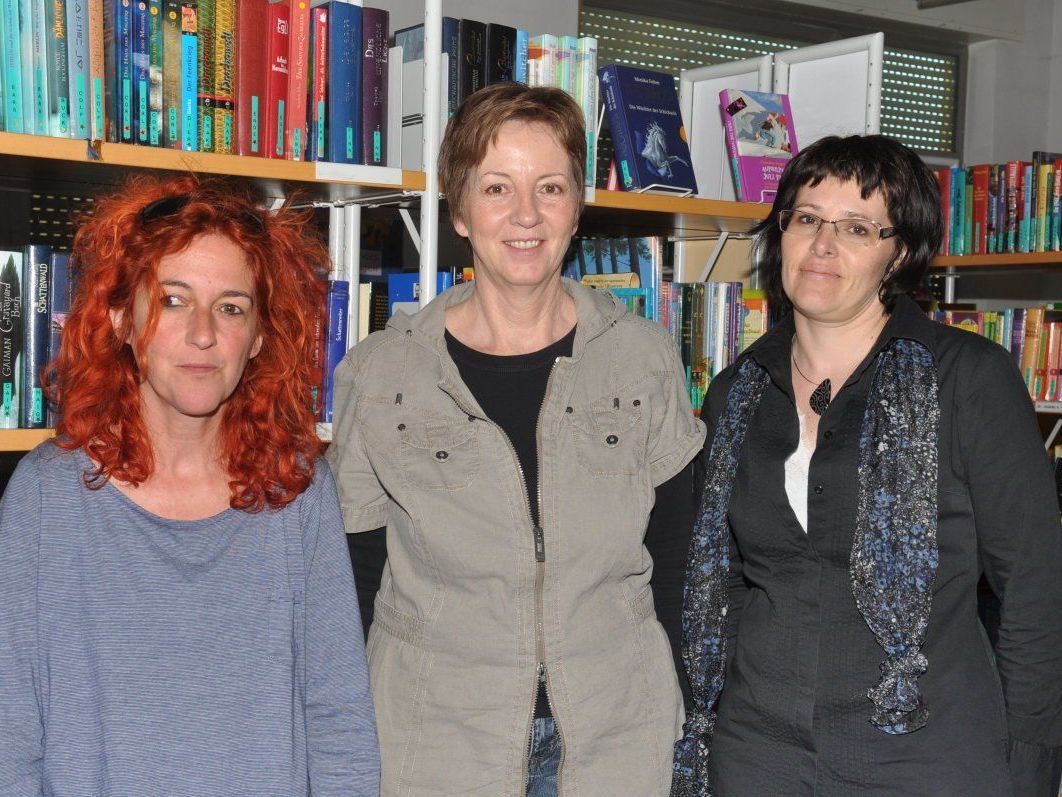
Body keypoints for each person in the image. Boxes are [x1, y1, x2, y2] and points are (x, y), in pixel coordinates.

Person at [327, 82, 706, 796]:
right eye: (497, 187)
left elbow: (679, 562)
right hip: (436, 744)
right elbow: (356, 582)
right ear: (460, 210)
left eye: (550, 187)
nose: (525, 214)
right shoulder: (383, 375)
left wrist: (677, 701)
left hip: (615, 740)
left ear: (577, 207)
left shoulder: (643, 358)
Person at [672, 134, 1062, 797]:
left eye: (856, 227)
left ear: (899, 251)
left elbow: (1035, 589)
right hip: (757, 754)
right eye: (806, 218)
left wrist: (1030, 764)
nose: (824, 244)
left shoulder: (967, 378)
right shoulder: (737, 391)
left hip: (925, 754)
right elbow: (721, 579)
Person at [0, 175, 380, 796]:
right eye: (173, 300)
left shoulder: (296, 495)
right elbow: (10, 734)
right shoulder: (47, 499)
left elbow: (339, 727)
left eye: (231, 307)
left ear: (258, 337)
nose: (204, 333)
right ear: (122, 318)